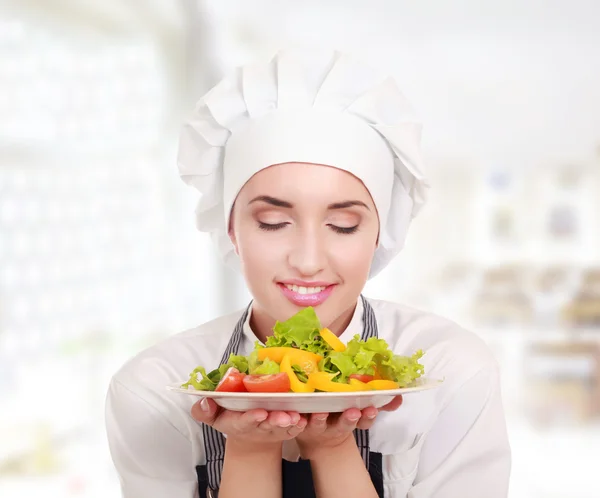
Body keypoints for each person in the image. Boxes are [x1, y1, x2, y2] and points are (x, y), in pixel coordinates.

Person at [105, 48, 511, 498]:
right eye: (274, 223)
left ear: (380, 234)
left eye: (343, 226)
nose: (308, 260)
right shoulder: (153, 392)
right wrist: (249, 448)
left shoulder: (451, 371)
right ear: (231, 230)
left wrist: (333, 446)